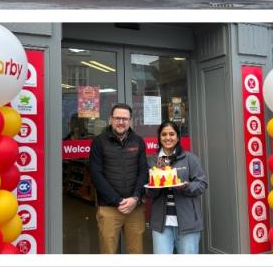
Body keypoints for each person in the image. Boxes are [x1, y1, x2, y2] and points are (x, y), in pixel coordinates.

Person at [88, 103, 148, 254]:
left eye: (124, 118)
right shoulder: (99, 142)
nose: (121, 122)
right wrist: (117, 200)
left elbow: (143, 172)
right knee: (108, 252)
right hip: (109, 209)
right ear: (110, 120)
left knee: (136, 252)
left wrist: (135, 198)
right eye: (117, 118)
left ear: (130, 121)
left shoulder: (138, 142)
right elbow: (96, 174)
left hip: (135, 208)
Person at [145, 121, 208, 254]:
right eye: (164, 134)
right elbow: (149, 192)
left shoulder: (190, 159)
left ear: (178, 137)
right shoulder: (152, 161)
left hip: (188, 223)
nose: (168, 138)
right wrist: (156, 186)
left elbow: (202, 184)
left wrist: (187, 186)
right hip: (161, 225)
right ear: (159, 137)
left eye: (172, 134)